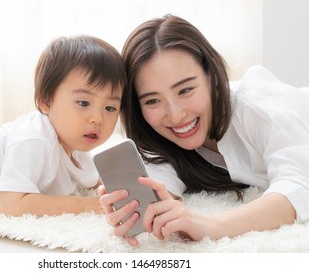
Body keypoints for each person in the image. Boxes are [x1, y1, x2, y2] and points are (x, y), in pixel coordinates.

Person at [99, 14, 309, 246]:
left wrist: (209, 225)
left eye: (185, 90)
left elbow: (299, 187)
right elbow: (160, 179)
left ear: (212, 76)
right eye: (152, 101)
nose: (176, 115)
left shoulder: (258, 107)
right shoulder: (159, 136)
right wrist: (145, 205)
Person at [0, 35, 126, 217]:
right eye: (83, 103)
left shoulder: (77, 145)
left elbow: (92, 180)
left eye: (110, 108)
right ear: (45, 101)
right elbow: (12, 205)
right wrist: (82, 206)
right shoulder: (35, 139)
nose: (97, 118)